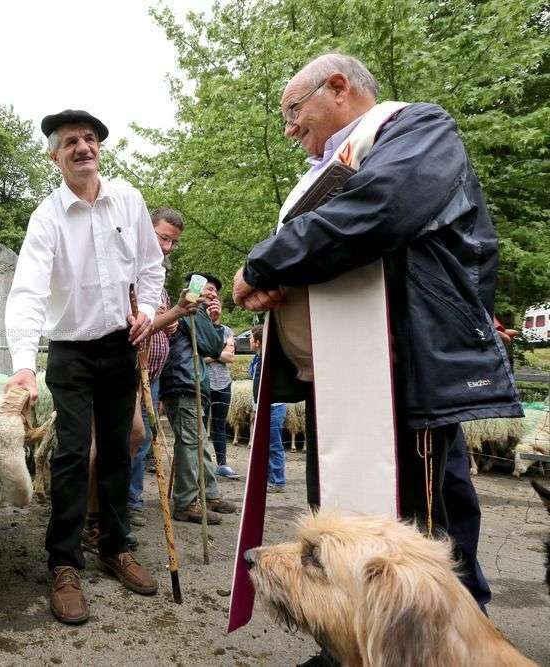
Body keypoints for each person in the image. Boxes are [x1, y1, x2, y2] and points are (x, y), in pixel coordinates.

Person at [231, 53, 520, 612]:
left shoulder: (420, 129)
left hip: (403, 376)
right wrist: (280, 280)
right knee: (343, 519)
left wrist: (264, 265)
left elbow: (380, 209)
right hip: (338, 382)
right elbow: (325, 245)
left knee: (420, 531)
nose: (289, 129)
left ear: (338, 87)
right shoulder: (334, 165)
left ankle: (443, 639)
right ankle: (354, 638)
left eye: (293, 111)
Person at [4, 109, 164, 625]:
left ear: (99, 148)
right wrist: (24, 364)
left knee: (118, 450)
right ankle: (64, 563)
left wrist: (147, 310)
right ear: (55, 156)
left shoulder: (128, 200)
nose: (83, 147)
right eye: (71, 141)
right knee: (73, 454)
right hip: (70, 351)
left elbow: (150, 265)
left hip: (121, 345)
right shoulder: (47, 216)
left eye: (90, 138)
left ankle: (116, 546)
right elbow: (28, 290)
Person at [125, 207, 191, 530]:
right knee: (133, 437)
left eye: (173, 242)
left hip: (152, 374)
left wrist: (171, 321)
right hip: (130, 372)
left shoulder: (157, 275)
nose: (167, 247)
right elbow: (139, 327)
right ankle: (124, 504)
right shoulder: (133, 271)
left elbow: (162, 326)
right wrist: (175, 311)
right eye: (163, 238)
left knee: (143, 437)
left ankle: (131, 500)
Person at [159, 274, 237, 523]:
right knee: (191, 444)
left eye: (216, 291)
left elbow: (210, 345)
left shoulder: (198, 314)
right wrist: (210, 323)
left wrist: (213, 321)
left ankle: (209, 494)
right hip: (184, 382)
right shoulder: (191, 308)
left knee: (200, 443)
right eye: (209, 289)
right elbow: (213, 347)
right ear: (195, 288)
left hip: (190, 383)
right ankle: (186, 502)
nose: (213, 294)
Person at [202, 292, 240, 479]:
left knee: (219, 424)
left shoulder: (227, 330)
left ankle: (222, 464)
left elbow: (230, 357)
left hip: (223, 383)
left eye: (217, 304)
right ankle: (201, 463)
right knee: (201, 425)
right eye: (210, 304)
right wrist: (220, 351)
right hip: (203, 382)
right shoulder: (200, 329)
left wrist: (211, 353)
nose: (214, 307)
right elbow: (199, 357)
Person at [248, 326, 286, 492]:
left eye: (251, 338)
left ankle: (278, 481)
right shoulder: (257, 359)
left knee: (274, 445)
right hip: (261, 407)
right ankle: (269, 478)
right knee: (264, 444)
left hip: (273, 407)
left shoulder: (270, 359)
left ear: (257, 342)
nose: (249, 341)